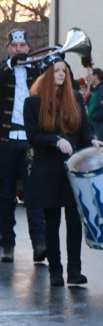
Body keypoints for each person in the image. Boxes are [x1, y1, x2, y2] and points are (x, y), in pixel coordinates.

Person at [24, 56, 103, 286]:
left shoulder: (76, 98)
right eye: (57, 70)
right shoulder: (33, 102)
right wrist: (55, 140)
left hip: (73, 167)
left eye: (64, 71)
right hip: (47, 167)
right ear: (47, 74)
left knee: (74, 220)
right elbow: (33, 136)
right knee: (52, 221)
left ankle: (75, 270)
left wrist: (92, 141)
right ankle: (55, 271)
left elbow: (84, 129)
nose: (61, 74)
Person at [0, 29, 45, 264]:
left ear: (28, 48)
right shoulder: (3, 69)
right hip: (6, 142)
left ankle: (39, 243)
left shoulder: (36, 71)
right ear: (9, 49)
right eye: (14, 47)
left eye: (22, 46)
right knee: (5, 195)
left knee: (33, 193)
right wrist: (10, 66)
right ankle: (7, 244)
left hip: (29, 140)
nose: (18, 50)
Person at [86, 68, 103, 143]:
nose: (88, 77)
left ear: (96, 76)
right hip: (96, 126)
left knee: (102, 149)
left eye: (90, 75)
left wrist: (95, 119)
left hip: (102, 126)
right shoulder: (97, 90)